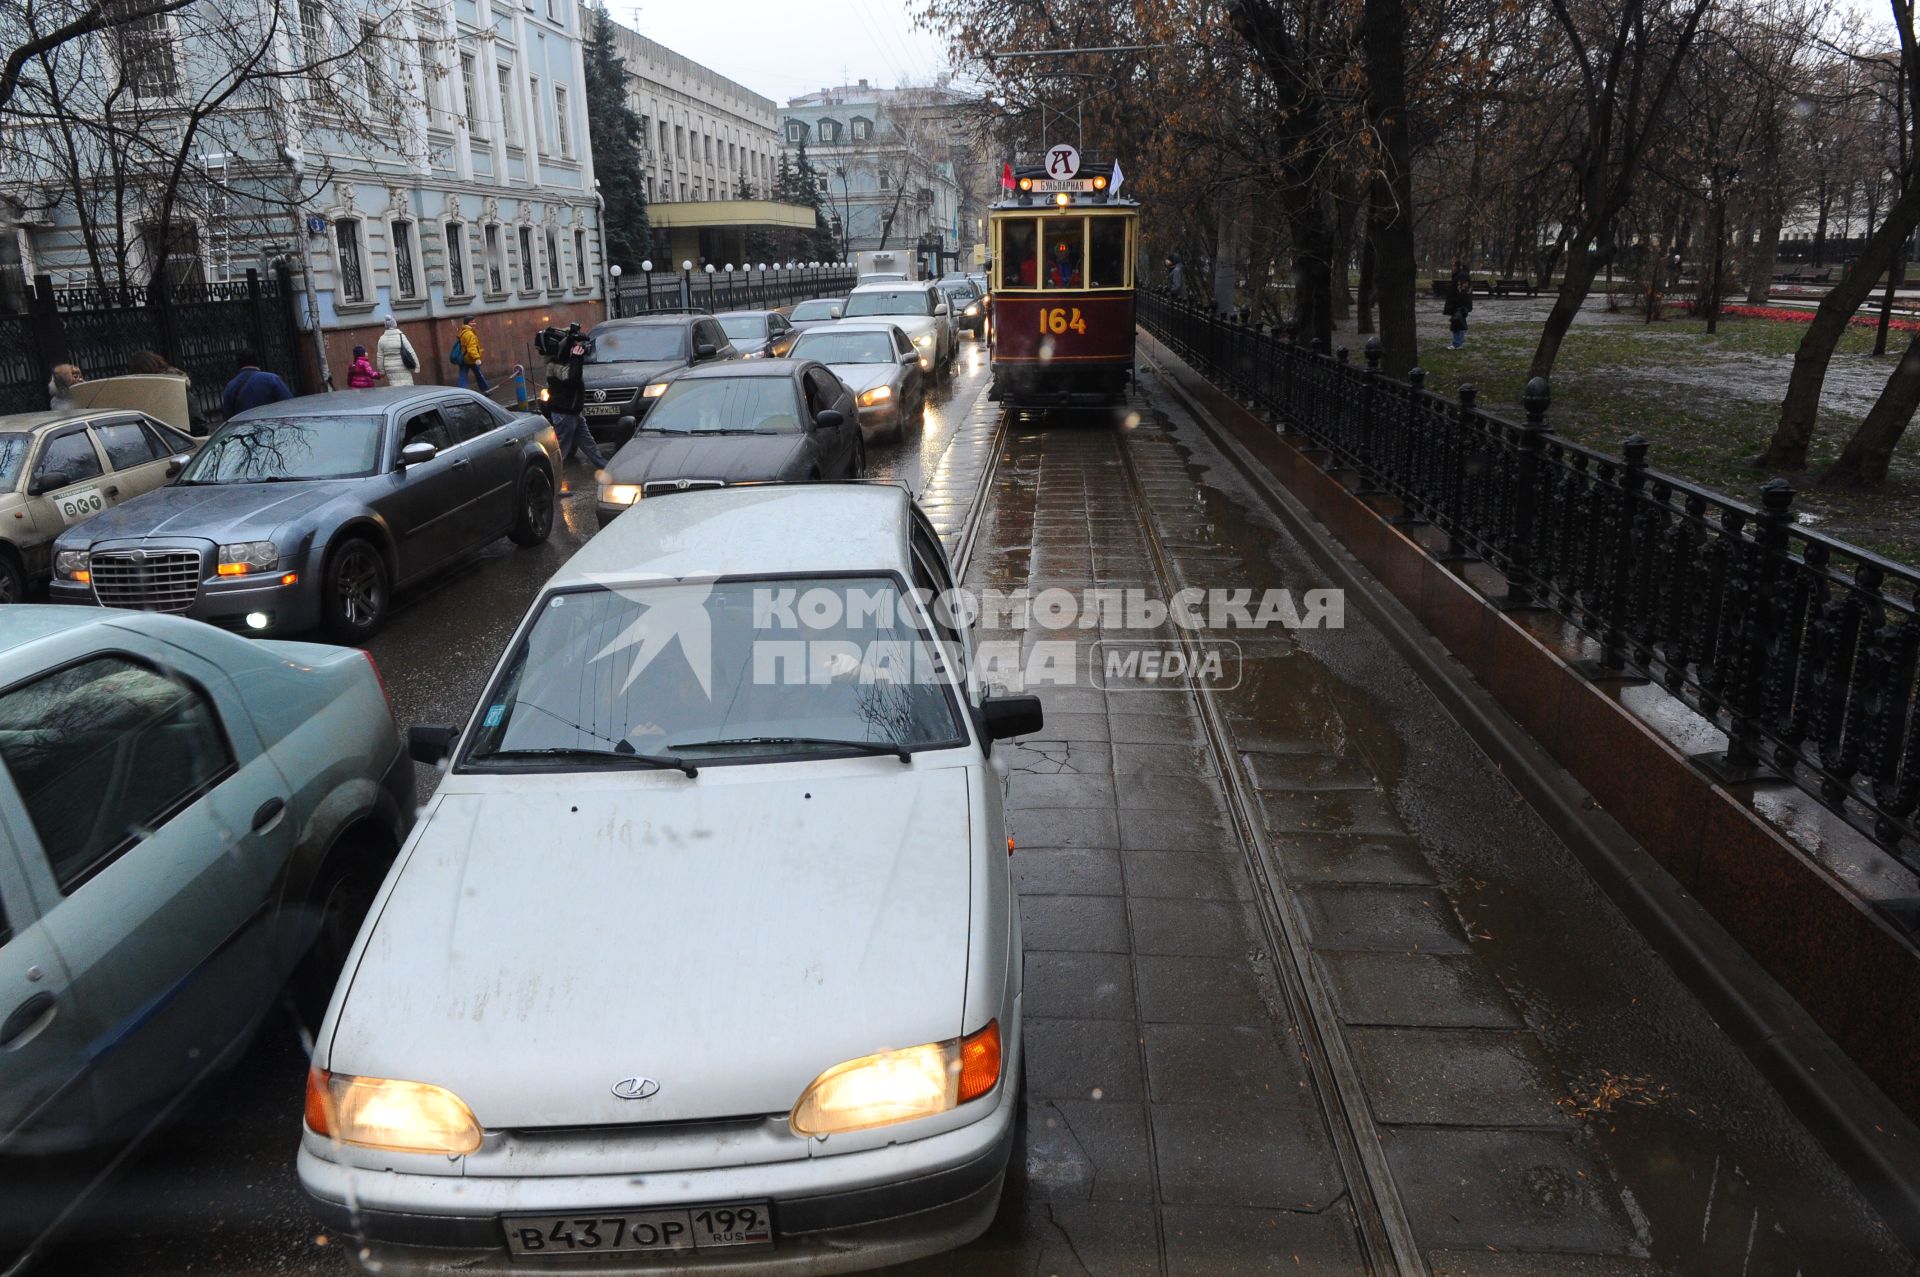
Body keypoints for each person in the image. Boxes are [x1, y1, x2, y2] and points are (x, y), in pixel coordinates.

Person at [544, 324, 608, 480]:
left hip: (574, 412)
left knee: (589, 444)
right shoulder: (555, 365)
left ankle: (608, 470)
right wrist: (576, 359)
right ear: (566, 346)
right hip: (564, 414)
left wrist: (575, 358)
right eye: (576, 345)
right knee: (561, 452)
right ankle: (553, 484)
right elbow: (572, 380)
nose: (581, 348)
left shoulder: (566, 362)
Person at [221, 354, 293, 418]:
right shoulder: (272, 379)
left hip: (244, 430)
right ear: (258, 362)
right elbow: (289, 404)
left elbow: (228, 416)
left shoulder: (230, 385)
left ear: (238, 365)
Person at [376, 315, 419, 387]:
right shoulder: (401, 336)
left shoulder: (382, 339)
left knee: (395, 386)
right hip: (403, 365)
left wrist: (381, 371)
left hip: (389, 367)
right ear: (394, 324)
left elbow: (380, 357)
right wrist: (417, 366)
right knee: (408, 386)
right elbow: (411, 351)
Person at [455, 316, 489, 393]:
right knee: (479, 374)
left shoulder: (463, 331)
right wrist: (477, 358)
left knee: (463, 376)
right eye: (472, 322)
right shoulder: (469, 333)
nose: (474, 323)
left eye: (474, 321)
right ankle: (486, 390)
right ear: (468, 323)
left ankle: (462, 392)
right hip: (471, 358)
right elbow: (471, 347)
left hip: (463, 357)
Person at [1445, 263, 1474, 349]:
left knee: (1457, 323)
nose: (1452, 268)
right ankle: (1459, 342)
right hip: (1461, 304)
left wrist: (1458, 304)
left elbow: (1462, 291)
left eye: (1453, 266)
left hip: (1459, 304)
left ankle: (1457, 343)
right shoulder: (1463, 275)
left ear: (1458, 267)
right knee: (1460, 322)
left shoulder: (1461, 276)